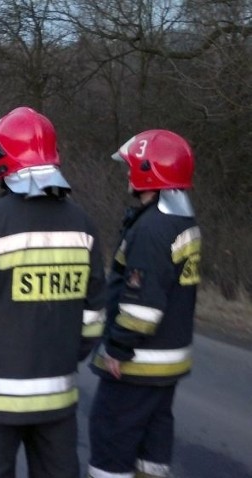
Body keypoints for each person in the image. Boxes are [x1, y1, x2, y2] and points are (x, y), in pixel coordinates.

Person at [0, 106, 106, 478]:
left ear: (0, 160)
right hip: (57, 395)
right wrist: (66, 354)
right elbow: (94, 314)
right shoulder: (83, 225)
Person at [87, 130, 200, 478]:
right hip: (167, 363)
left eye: (133, 166)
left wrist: (118, 349)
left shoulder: (151, 229)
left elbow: (143, 306)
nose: (127, 173)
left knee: (112, 441)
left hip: (138, 364)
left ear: (150, 171)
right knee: (152, 447)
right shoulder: (183, 222)